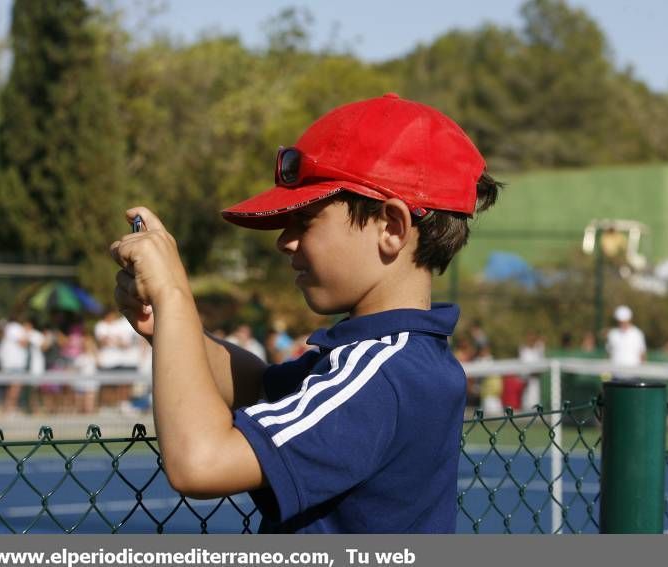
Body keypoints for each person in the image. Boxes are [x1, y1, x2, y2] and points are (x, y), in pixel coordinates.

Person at [110, 93, 501, 533]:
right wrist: (171, 329)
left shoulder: (382, 374)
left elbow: (199, 464)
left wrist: (174, 295)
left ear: (391, 227)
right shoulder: (393, 358)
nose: (284, 241)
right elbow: (258, 385)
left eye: (306, 219)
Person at [605, 305, 646, 376]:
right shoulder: (612, 334)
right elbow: (609, 354)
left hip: (633, 375)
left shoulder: (637, 334)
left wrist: (641, 372)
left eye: (624, 321)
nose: (622, 323)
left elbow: (642, 354)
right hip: (615, 374)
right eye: (620, 321)